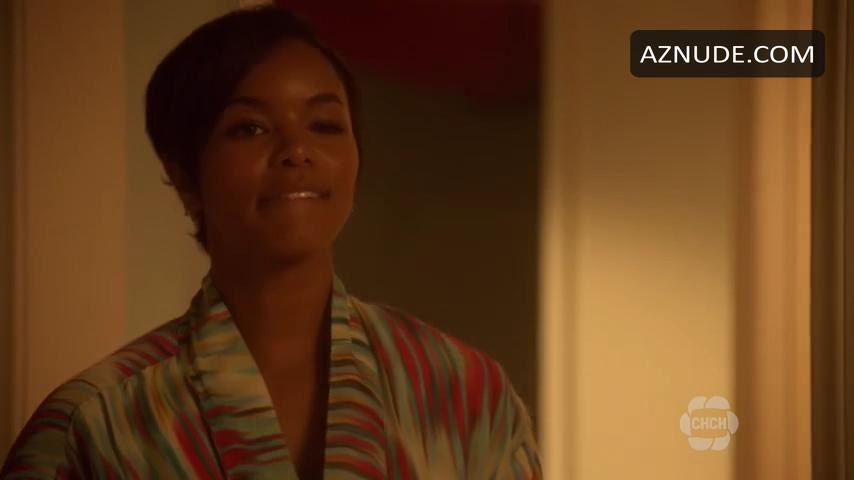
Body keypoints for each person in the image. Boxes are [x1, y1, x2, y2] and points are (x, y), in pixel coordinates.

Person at [1, 5, 541, 479]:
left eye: (324, 125)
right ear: (185, 177)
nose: (296, 150)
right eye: (251, 128)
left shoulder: (465, 394)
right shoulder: (94, 424)